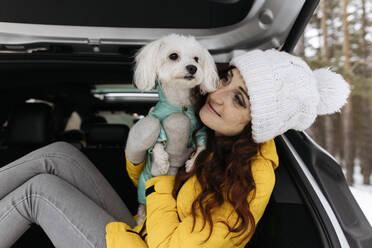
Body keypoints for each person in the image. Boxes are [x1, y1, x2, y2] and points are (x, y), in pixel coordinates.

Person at [0, 49, 350, 248]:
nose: (218, 94)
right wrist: (146, 159)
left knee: (39, 193)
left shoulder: (251, 178)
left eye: (239, 99)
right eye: (227, 79)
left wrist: (164, 178)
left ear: (260, 121)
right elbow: (147, 181)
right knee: (60, 155)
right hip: (143, 234)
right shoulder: (213, 138)